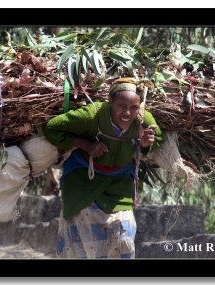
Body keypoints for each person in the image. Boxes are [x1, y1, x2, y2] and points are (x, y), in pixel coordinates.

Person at [41, 77, 164, 259]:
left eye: (133, 108)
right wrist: (85, 144)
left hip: (118, 185)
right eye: (121, 106)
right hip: (83, 184)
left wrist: (146, 143)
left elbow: (158, 138)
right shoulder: (92, 115)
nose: (127, 113)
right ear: (110, 102)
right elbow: (51, 128)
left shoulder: (143, 119)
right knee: (85, 247)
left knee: (124, 241)